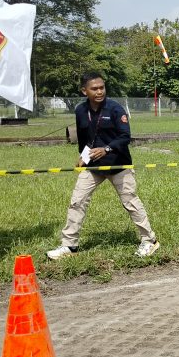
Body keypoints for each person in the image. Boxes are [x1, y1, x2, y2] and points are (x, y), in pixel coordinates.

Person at [47, 72, 159, 260]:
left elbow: (125, 137)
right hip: (93, 166)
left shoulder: (116, 109)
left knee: (130, 202)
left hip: (118, 165)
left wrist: (106, 149)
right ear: (84, 91)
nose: (99, 91)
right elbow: (85, 138)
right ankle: (69, 246)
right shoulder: (81, 111)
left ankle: (150, 241)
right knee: (77, 201)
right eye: (94, 88)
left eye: (102, 87)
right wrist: (84, 156)